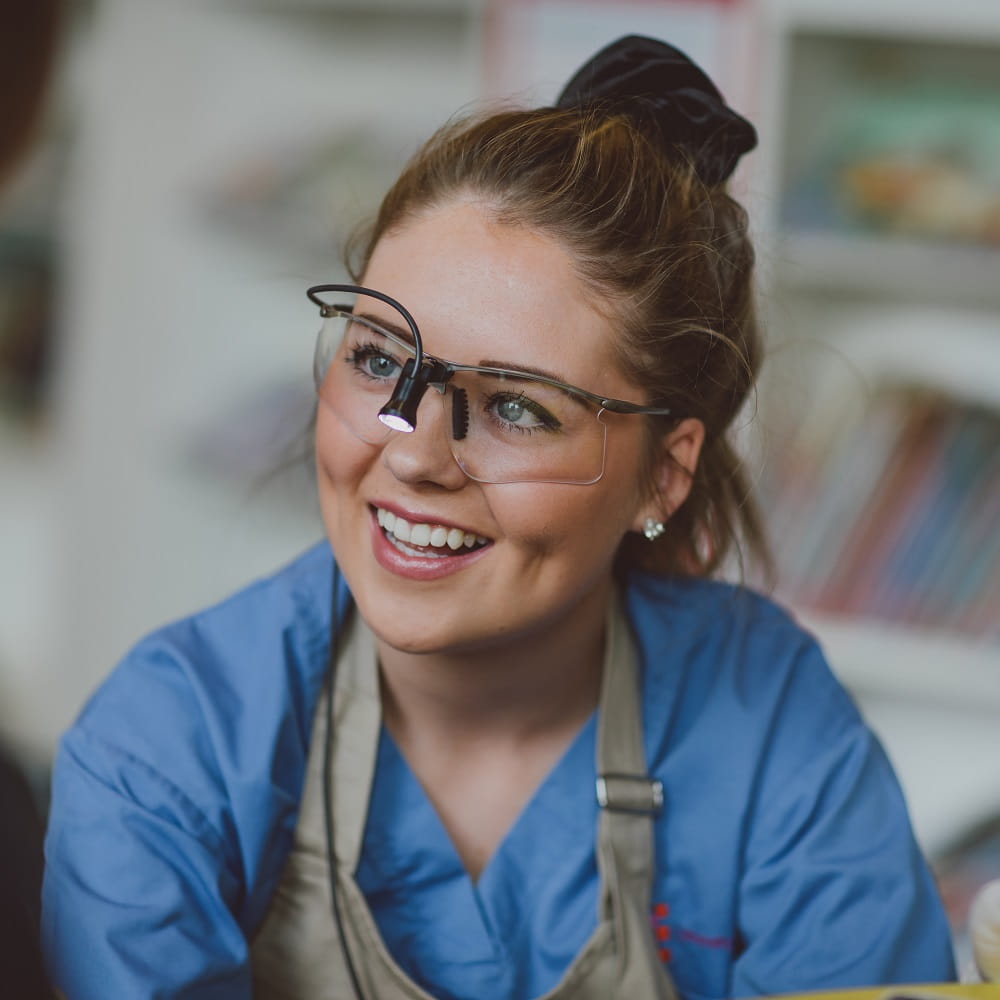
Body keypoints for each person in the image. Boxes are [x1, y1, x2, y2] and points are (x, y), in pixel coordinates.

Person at [42, 35, 956, 1000]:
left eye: (519, 407)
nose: (415, 454)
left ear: (664, 474)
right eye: (379, 359)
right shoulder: (168, 747)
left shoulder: (767, 727)